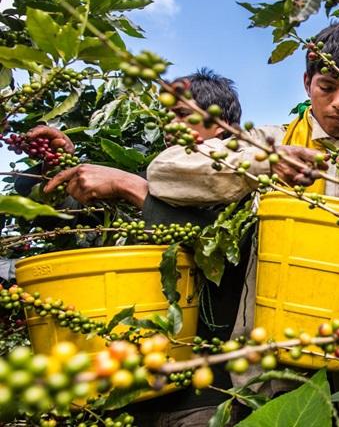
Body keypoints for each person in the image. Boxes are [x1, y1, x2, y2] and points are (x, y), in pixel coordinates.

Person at [146, 23, 339, 426]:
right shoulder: (267, 141)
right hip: (275, 362)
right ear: (307, 82)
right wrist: (262, 164)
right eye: (328, 87)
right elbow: (166, 170)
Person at [32, 68, 252, 426]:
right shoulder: (160, 180)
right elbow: (62, 226)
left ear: (223, 128)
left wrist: (131, 188)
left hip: (203, 400)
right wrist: (59, 171)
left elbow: (223, 251)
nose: (170, 126)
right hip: (134, 392)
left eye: (183, 115)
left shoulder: (247, 188)